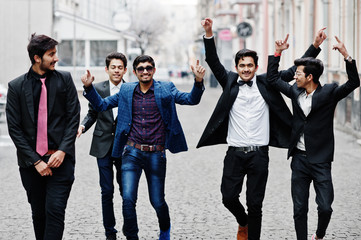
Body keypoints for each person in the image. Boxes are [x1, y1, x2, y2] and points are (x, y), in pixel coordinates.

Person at [196, 18, 326, 240]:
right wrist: (209, 33)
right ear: (236, 68)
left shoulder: (267, 82)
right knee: (228, 197)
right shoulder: (228, 81)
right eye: (242, 66)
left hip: (259, 155)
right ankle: (242, 221)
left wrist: (315, 46)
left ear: (256, 67)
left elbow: (298, 70)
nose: (246, 69)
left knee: (255, 205)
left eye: (249, 65)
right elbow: (213, 60)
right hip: (235, 153)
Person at [81, 55, 205, 240]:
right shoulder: (126, 90)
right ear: (134, 72)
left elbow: (191, 99)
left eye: (148, 68)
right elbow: (101, 105)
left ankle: (165, 230)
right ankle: (132, 237)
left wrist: (198, 80)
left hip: (156, 154)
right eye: (141, 68)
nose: (145, 71)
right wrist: (89, 87)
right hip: (131, 152)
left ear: (154, 70)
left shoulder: (166, 88)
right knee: (128, 199)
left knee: (157, 201)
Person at [267, 36, 360, 240]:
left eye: (298, 73)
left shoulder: (329, 92)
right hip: (299, 159)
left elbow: (354, 82)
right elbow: (273, 79)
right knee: (299, 208)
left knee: (325, 207)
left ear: (309, 77)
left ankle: (319, 235)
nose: (295, 76)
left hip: (321, 159)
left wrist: (346, 56)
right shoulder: (294, 91)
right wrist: (277, 53)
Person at [6, 33, 80, 240]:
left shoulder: (65, 80)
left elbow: (73, 118)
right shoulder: (16, 87)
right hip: (31, 165)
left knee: (55, 212)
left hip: (61, 161)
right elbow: (15, 129)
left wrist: (63, 151)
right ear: (37, 58)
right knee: (39, 214)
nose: (56, 58)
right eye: (51, 54)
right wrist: (36, 161)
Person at [77, 52, 127, 240]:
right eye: (113, 67)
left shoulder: (131, 89)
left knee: (127, 192)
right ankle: (110, 232)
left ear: (125, 70)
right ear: (107, 69)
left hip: (124, 147)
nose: (116, 70)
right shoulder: (96, 88)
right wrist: (83, 125)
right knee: (107, 191)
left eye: (120, 67)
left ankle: (129, 228)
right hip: (102, 146)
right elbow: (93, 113)